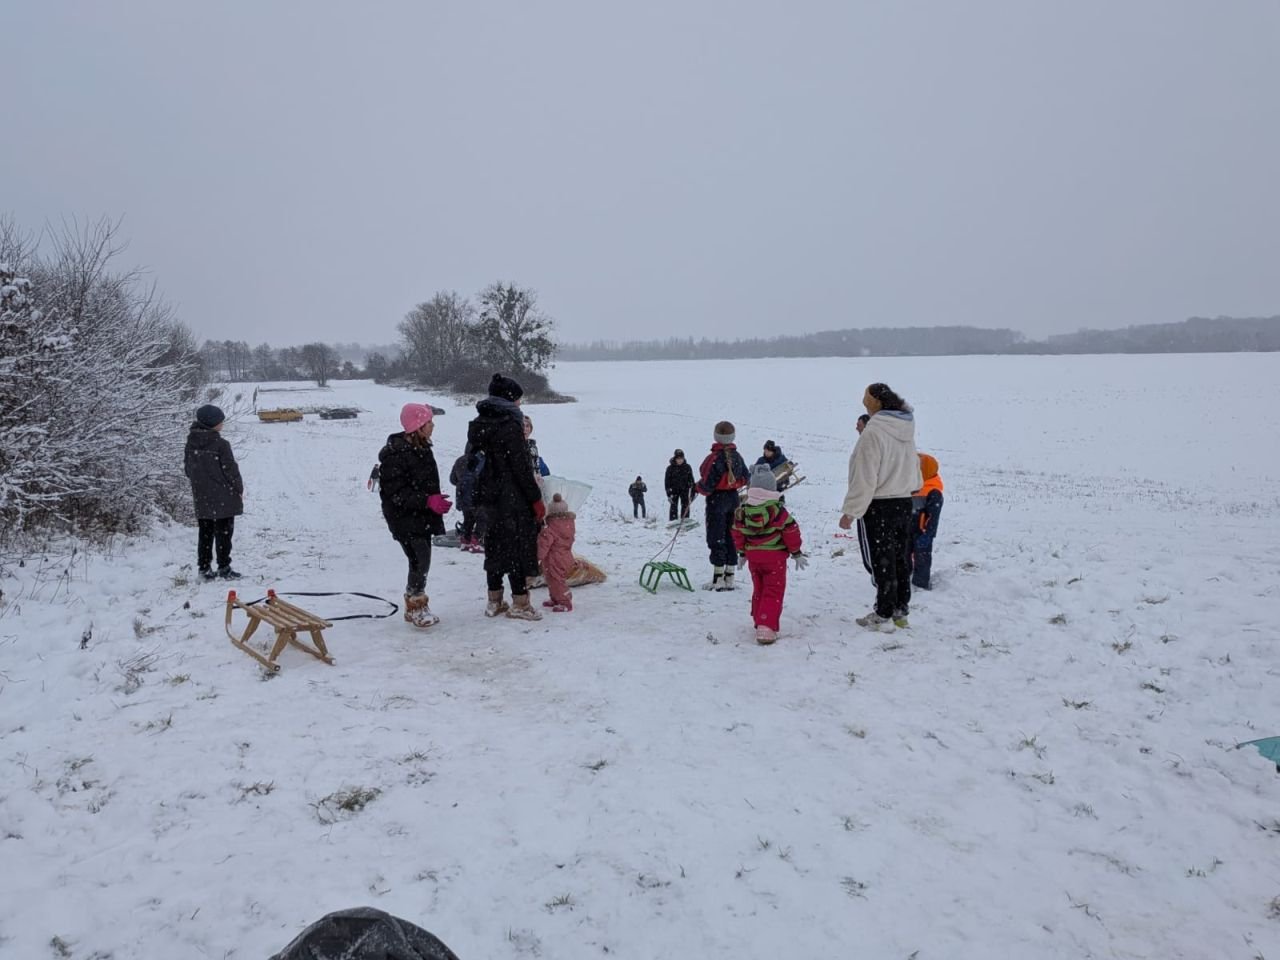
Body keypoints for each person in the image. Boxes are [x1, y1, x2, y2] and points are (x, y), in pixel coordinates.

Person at [839, 383, 921, 629]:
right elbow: (913, 463)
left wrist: (850, 512)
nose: (863, 403)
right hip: (904, 502)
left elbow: (864, 476)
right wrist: (912, 486)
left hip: (879, 506)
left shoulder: (873, 432)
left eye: (866, 400)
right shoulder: (905, 428)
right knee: (900, 557)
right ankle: (900, 609)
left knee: (880, 560)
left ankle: (883, 612)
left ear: (875, 402)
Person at [468, 374, 544, 620]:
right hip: (511, 500)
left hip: (487, 498)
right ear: (510, 400)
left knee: (494, 548)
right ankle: (520, 604)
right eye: (519, 400)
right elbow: (521, 468)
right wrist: (535, 499)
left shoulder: (479, 424)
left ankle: (494, 600)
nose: (521, 405)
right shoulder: (510, 425)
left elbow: (471, 462)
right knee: (516, 551)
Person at [378, 403, 451, 628]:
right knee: (420, 558)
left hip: (421, 516)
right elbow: (396, 494)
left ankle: (414, 602)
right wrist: (427, 501)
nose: (433, 425)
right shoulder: (395, 455)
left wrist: (435, 501)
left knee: (420, 559)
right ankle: (416, 604)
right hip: (403, 518)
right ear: (417, 426)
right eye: (429, 422)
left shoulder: (422, 448)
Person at [732, 465, 806, 645]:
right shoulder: (777, 511)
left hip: (754, 558)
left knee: (759, 588)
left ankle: (759, 619)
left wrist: (742, 552)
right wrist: (796, 552)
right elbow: (791, 531)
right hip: (775, 559)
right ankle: (766, 626)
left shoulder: (743, 511)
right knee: (773, 591)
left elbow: (737, 532)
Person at [184, 404, 245, 580]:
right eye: (220, 421)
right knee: (224, 533)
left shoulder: (190, 443)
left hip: (202, 496)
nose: (222, 424)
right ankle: (224, 567)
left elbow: (188, 470)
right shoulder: (221, 444)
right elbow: (231, 470)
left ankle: (204, 569)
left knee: (205, 533)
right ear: (212, 423)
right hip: (224, 496)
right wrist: (238, 489)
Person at [694, 420, 749, 591]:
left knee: (716, 537)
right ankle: (730, 576)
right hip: (733, 498)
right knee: (731, 535)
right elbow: (746, 477)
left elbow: (707, 484)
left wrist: (696, 487)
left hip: (716, 501)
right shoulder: (738, 457)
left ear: (716, 436)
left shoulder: (713, 458)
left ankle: (718, 578)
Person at [537, 493, 576, 612]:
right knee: (553, 580)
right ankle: (555, 598)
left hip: (554, 560)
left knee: (556, 581)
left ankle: (565, 602)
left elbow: (544, 546)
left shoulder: (550, 530)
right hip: (566, 557)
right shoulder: (568, 526)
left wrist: (537, 556)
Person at [911, 452, 944, 590]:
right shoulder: (912, 484)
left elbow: (933, 517)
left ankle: (921, 584)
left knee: (922, 558)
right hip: (907, 527)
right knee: (904, 554)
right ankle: (905, 577)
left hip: (922, 531)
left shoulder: (933, 491)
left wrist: (928, 534)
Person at [449, 443, 487, 552]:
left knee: (468, 519)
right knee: (482, 519)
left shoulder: (460, 460)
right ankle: (476, 541)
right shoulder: (482, 460)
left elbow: (452, 479)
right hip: (478, 497)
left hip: (463, 498)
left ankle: (465, 541)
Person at [664, 449, 695, 521]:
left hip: (685, 490)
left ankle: (685, 520)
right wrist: (668, 492)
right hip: (673, 490)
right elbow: (667, 482)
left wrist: (692, 490)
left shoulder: (687, 467)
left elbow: (691, 479)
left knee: (685, 505)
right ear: (675, 458)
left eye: (681, 458)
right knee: (673, 506)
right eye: (678, 459)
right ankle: (673, 520)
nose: (680, 460)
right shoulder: (670, 468)